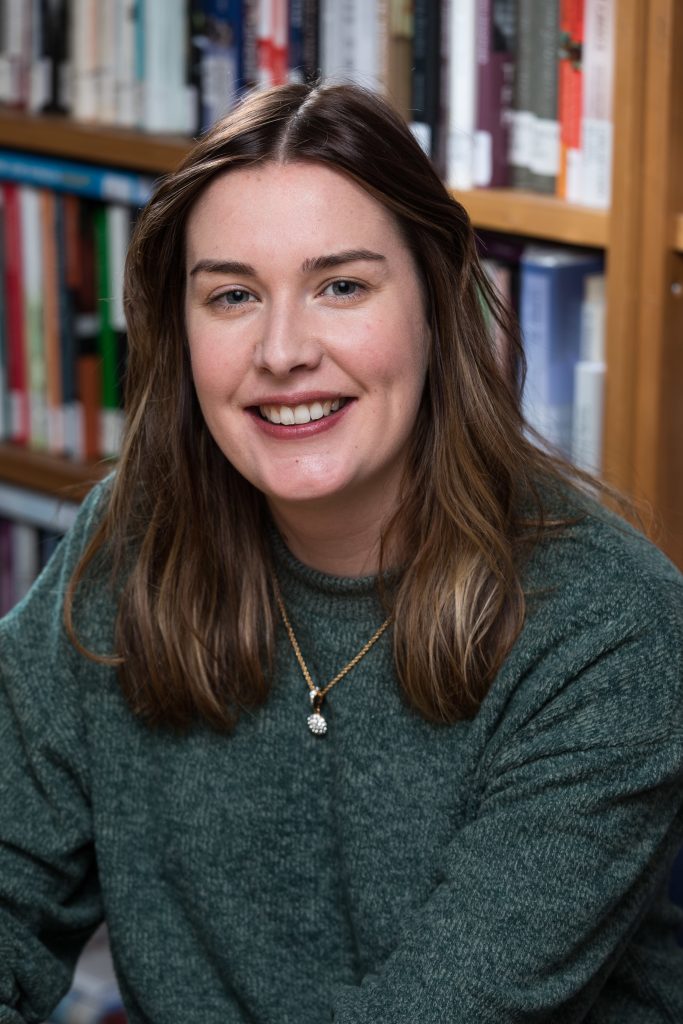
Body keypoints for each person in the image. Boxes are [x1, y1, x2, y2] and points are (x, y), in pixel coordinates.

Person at [0, 82, 682, 1024]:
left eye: (341, 286)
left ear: (440, 306)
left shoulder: (612, 627)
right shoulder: (134, 538)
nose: (282, 351)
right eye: (232, 295)